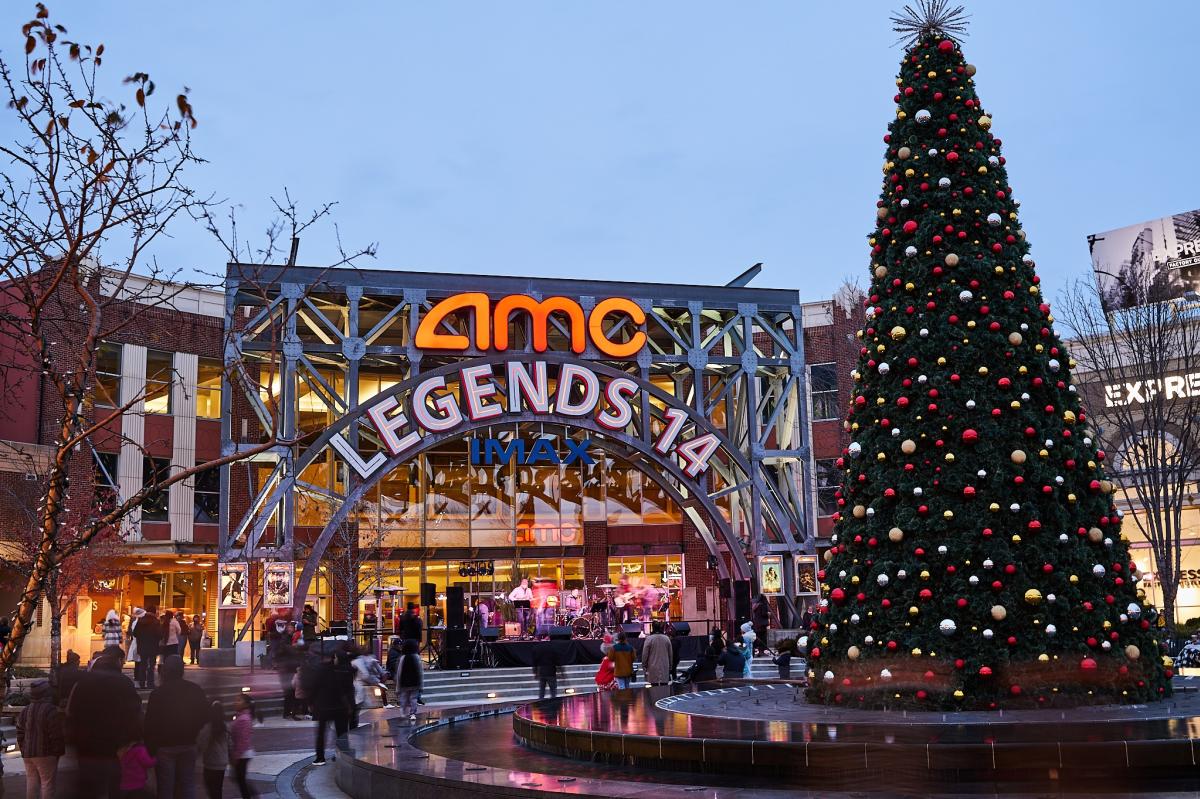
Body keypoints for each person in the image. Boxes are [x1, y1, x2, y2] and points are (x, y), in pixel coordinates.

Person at [67, 646, 142, 798]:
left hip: (87, 750)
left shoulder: (83, 682)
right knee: (116, 789)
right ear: (119, 660)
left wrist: (76, 743)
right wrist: (128, 743)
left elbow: (71, 713)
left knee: (90, 790)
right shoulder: (124, 683)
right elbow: (134, 715)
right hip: (115, 750)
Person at [145, 654, 210, 799]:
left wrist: (151, 748)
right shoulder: (195, 689)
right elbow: (204, 716)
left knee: (165, 786)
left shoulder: (158, 693)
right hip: (188, 742)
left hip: (165, 745)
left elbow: (150, 722)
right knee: (187, 784)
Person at [17, 678, 65, 799]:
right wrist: (58, 751)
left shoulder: (25, 711)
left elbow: (20, 733)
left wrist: (23, 749)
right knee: (47, 784)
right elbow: (56, 734)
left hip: (28, 753)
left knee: (31, 782)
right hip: (46, 753)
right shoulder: (50, 710)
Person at [307, 649, 354, 765]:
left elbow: (313, 688)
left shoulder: (318, 671)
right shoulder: (342, 671)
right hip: (340, 707)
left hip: (323, 706)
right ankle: (342, 755)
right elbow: (347, 690)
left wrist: (310, 703)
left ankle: (320, 757)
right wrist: (349, 705)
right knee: (341, 733)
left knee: (321, 733)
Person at [195, 700, 230, 799]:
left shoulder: (208, 727)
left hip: (210, 762)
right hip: (222, 762)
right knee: (218, 787)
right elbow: (230, 743)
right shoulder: (225, 726)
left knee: (210, 786)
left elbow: (200, 742)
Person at [231, 693, 260, 798]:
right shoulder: (242, 716)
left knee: (241, 780)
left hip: (243, 754)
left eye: (239, 700)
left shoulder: (244, 719)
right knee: (240, 778)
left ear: (246, 704)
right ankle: (253, 794)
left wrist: (236, 756)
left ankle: (251, 795)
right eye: (235, 700)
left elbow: (243, 740)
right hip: (243, 753)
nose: (235, 702)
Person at [351, 646, 388, 726]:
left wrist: (379, 679)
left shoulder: (371, 659)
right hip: (359, 684)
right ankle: (354, 723)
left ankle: (354, 723)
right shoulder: (358, 661)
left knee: (358, 704)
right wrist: (377, 682)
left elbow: (375, 672)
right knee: (357, 705)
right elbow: (365, 675)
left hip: (360, 684)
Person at [130, 606, 161, 689]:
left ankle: (142, 683)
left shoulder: (140, 621)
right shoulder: (156, 621)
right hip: (153, 647)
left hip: (142, 646)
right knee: (151, 666)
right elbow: (159, 634)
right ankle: (150, 683)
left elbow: (135, 633)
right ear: (154, 612)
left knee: (142, 665)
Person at [275, 629, 302, 720]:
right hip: (288, 672)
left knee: (290, 694)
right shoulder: (287, 645)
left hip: (287, 672)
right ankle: (290, 713)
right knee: (291, 694)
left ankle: (288, 713)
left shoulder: (284, 645)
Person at [395, 638, 423, 721]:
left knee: (403, 697)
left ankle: (403, 712)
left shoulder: (402, 658)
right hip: (415, 681)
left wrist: (398, 686)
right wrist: (421, 685)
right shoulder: (417, 657)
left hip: (404, 681)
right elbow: (420, 672)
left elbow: (399, 671)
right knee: (413, 698)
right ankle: (412, 713)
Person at [641, 622, 673, 686]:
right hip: (664, 666)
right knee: (664, 688)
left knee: (654, 687)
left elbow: (645, 654)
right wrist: (670, 667)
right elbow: (670, 654)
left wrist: (644, 665)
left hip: (653, 667)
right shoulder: (666, 638)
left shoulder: (649, 639)